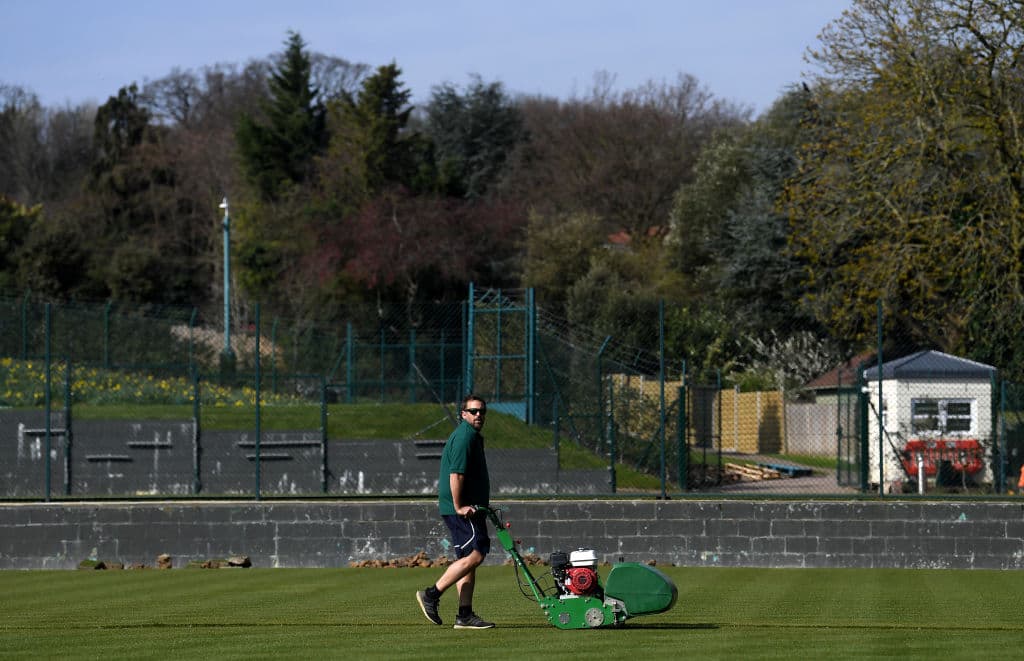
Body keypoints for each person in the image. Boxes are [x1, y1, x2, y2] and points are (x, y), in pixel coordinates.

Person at [416, 395, 495, 629]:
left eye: (482, 411)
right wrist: (460, 506)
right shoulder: (464, 437)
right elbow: (456, 475)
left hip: (470, 507)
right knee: (477, 554)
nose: (478, 415)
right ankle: (431, 595)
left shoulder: (471, 436)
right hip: (462, 509)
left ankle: (464, 615)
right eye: (473, 411)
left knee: (467, 560)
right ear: (463, 414)